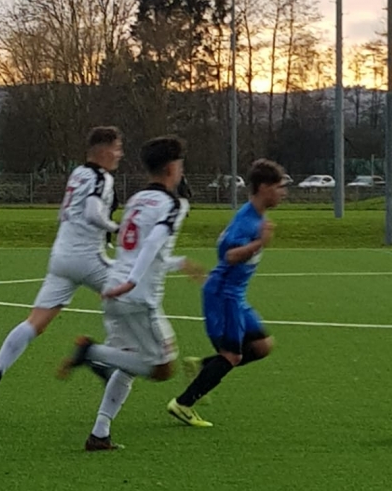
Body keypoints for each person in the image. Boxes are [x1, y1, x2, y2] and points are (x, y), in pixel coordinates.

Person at [56, 136, 204, 451]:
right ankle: (91, 353)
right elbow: (153, 242)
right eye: (180, 164)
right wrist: (133, 282)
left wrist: (178, 263)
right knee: (163, 369)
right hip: (137, 298)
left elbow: (138, 250)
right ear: (171, 168)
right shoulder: (174, 204)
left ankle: (100, 433)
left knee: (128, 364)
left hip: (114, 290)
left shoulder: (136, 200)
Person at [0, 126, 124, 417]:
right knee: (130, 296)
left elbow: (67, 212)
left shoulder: (77, 173)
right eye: (117, 148)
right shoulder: (101, 177)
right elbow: (93, 213)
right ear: (104, 150)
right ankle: (101, 358)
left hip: (61, 256)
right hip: (87, 257)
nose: (120, 154)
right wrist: (117, 227)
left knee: (36, 322)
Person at [167, 158, 286, 427]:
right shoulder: (247, 222)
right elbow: (230, 255)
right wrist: (260, 243)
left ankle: (203, 367)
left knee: (262, 346)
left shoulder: (255, 216)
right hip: (223, 296)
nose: (283, 193)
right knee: (232, 355)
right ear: (263, 187)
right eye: (279, 187)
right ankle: (183, 403)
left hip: (235, 296)